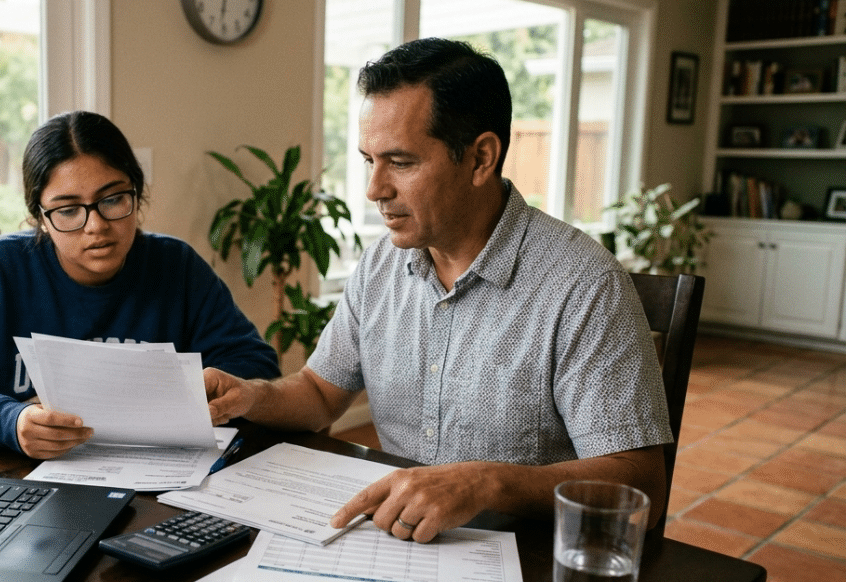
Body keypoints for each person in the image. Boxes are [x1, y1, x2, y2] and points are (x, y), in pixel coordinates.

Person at [204, 38, 671, 543]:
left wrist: (488, 481)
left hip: (522, 558)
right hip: (395, 540)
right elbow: (319, 394)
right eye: (369, 161)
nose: (374, 190)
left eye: (400, 162)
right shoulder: (382, 263)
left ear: (480, 159)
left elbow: (642, 482)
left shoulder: (583, 285)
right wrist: (253, 396)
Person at [0, 111, 280, 459]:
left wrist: (197, 392)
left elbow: (256, 366)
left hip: (160, 479)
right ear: (39, 216)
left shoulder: (176, 267)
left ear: (137, 193)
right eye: (68, 210)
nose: (96, 226)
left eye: (113, 199)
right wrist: (9, 421)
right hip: (27, 479)